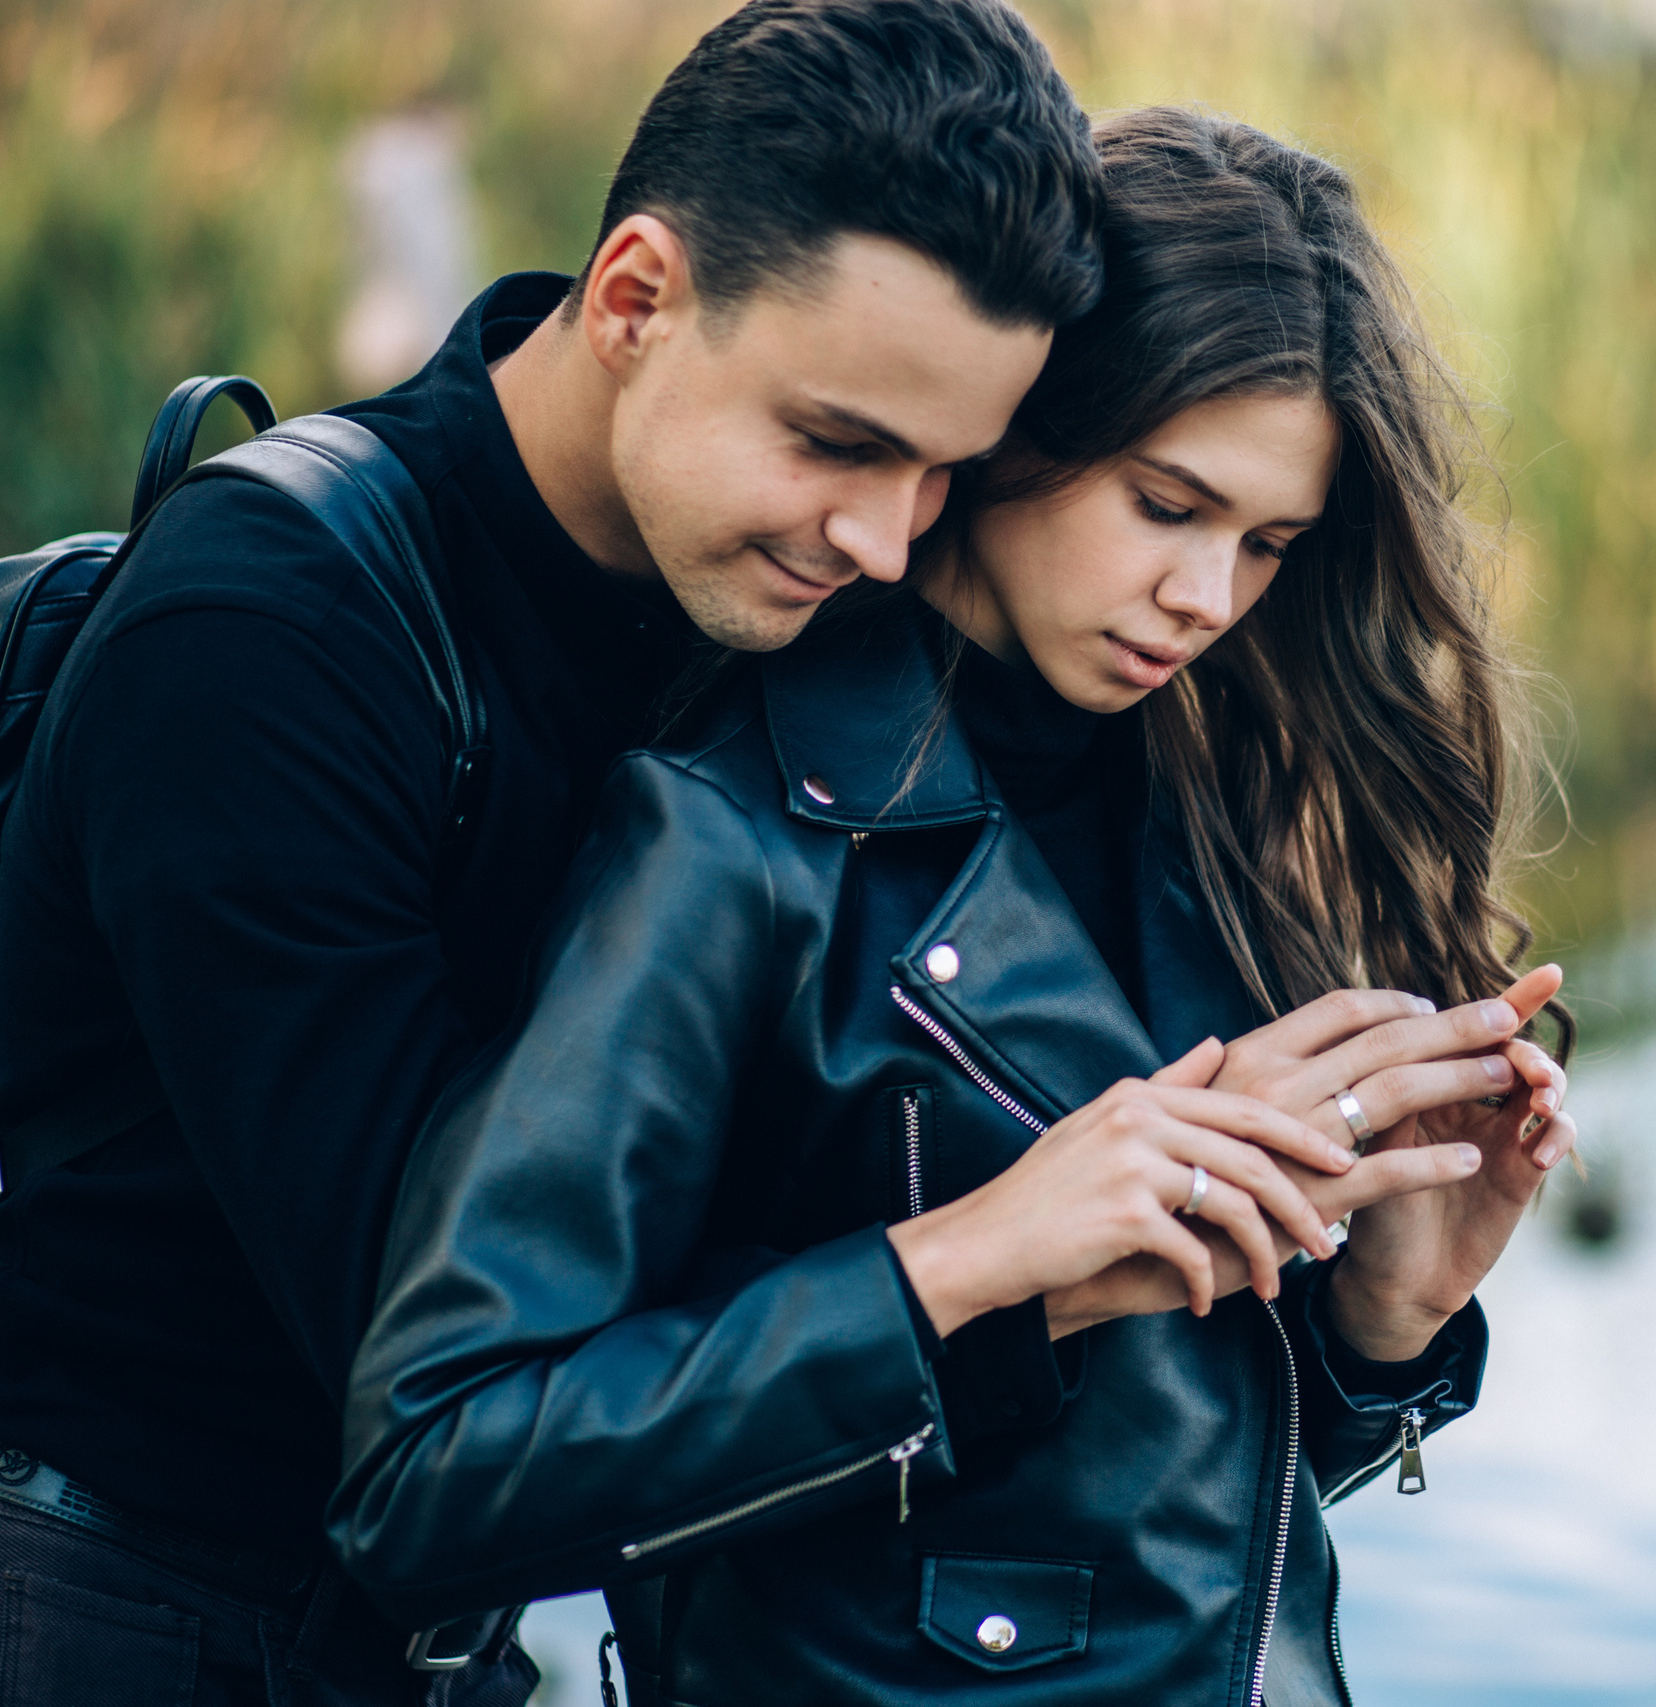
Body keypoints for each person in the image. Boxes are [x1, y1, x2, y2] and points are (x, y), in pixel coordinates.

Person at [330, 108, 1579, 1705]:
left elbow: (1159, 1531)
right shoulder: (731, 838)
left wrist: (1386, 1323)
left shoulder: (1225, 825)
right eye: (1166, 505)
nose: (1206, 599)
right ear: (1017, 427)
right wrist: (976, 1258)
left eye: (1268, 543)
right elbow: (438, 1470)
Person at [0, 4, 1108, 1702]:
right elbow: (443, 1364)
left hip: (426, 1633)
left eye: (944, 472)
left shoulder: (752, 615)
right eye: (839, 440)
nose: (883, 536)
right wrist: (977, 1268)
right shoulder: (263, 637)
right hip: (86, 1600)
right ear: (633, 299)